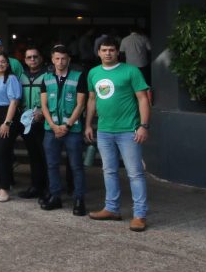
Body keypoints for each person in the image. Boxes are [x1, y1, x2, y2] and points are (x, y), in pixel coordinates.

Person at [86, 36, 151, 232]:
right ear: (98, 52)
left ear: (117, 52)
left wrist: (144, 126)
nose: (108, 53)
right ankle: (112, 208)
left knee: (135, 174)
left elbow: (143, 99)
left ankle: (139, 215)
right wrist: (89, 124)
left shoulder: (131, 71)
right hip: (104, 131)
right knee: (109, 171)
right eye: (104, 50)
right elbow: (91, 100)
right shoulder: (93, 73)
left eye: (111, 50)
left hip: (128, 131)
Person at [40, 44, 88, 215]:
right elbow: (44, 105)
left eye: (63, 58)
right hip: (51, 129)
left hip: (72, 129)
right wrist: (53, 126)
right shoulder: (46, 78)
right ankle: (55, 197)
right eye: (57, 58)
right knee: (52, 165)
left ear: (69, 59)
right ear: (52, 60)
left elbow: (81, 104)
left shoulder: (79, 77)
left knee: (76, 166)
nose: (60, 62)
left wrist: (66, 126)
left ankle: (79, 199)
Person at [0, 52, 22, 203]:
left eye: (2, 62)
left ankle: (6, 189)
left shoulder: (11, 79)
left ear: (8, 64)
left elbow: (14, 102)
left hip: (6, 116)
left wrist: (7, 122)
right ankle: (2, 186)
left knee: (3, 153)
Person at [17, 46, 49, 201]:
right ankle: (35, 186)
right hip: (27, 121)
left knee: (45, 155)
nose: (32, 60)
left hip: (43, 121)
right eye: (29, 57)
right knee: (33, 155)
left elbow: (53, 97)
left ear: (41, 58)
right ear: (25, 60)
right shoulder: (21, 76)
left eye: (35, 57)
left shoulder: (48, 76)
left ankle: (48, 188)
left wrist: (43, 113)